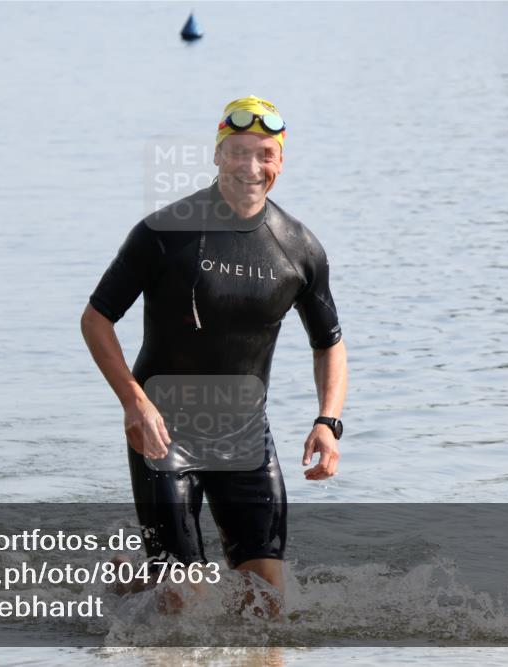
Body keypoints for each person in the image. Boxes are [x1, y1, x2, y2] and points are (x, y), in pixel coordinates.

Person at [80, 96, 348, 611]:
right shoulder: (163, 233)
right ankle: (144, 584)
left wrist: (327, 421)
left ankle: (135, 577)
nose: (251, 167)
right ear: (218, 155)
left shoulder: (298, 247)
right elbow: (96, 319)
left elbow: (330, 344)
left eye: (265, 154)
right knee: (185, 600)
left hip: (245, 433)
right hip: (164, 430)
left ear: (280, 162)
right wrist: (134, 403)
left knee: (270, 603)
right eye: (239, 152)